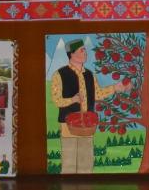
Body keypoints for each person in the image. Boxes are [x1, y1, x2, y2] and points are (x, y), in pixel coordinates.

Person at [51, 39, 131, 173]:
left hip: (87, 125)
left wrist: (115, 88)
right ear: (72, 54)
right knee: (69, 164)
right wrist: (72, 99)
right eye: (82, 50)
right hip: (68, 125)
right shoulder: (59, 75)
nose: (85, 53)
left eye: (85, 50)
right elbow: (56, 100)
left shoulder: (89, 75)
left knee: (86, 164)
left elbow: (98, 94)